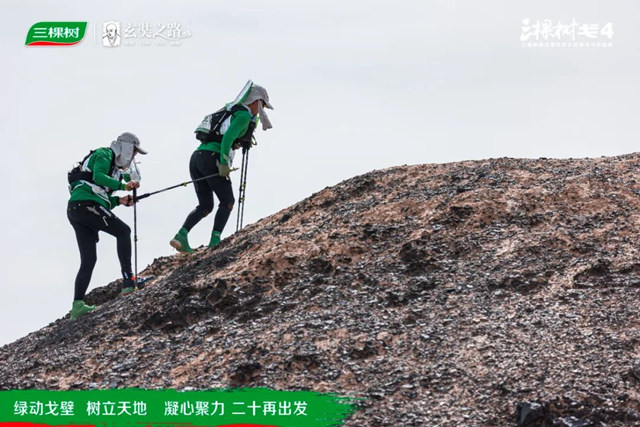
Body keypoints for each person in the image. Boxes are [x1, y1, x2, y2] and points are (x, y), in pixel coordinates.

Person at [170, 84, 274, 253]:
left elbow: (227, 135)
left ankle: (181, 236)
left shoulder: (230, 109)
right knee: (227, 201)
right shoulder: (243, 116)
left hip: (197, 157)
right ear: (256, 101)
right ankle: (214, 242)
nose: (261, 110)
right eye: (262, 105)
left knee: (205, 205)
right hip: (213, 158)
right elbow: (227, 139)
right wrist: (224, 163)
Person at [67, 132, 150, 320]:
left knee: (89, 259)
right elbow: (98, 178)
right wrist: (125, 187)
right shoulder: (105, 154)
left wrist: (119, 201)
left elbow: (100, 196)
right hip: (86, 205)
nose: (134, 157)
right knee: (124, 231)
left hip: (79, 207)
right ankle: (129, 281)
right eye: (134, 152)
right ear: (127, 147)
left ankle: (77, 305)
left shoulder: (114, 169)